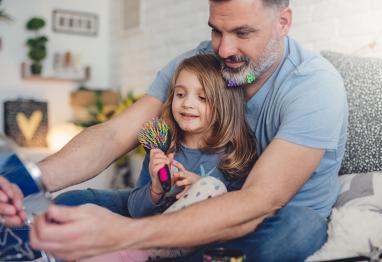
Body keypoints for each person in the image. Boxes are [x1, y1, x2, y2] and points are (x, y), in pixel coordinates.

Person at [0, 0, 348, 261]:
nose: (224, 49)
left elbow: (260, 201)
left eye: (243, 33)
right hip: (179, 202)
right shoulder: (201, 62)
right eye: (216, 30)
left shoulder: (314, 86)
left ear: (283, 22)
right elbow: (115, 134)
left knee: (292, 234)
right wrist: (28, 179)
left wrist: (126, 234)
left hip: (265, 216)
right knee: (73, 204)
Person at [81, 54, 257, 261]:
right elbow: (136, 211)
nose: (187, 104)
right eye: (180, 94)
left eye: (202, 98)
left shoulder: (235, 154)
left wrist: (201, 185)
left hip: (196, 246)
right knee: (87, 210)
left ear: (225, 103)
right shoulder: (163, 148)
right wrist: (155, 189)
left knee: (213, 186)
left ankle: (133, 248)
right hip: (149, 238)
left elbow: (242, 214)